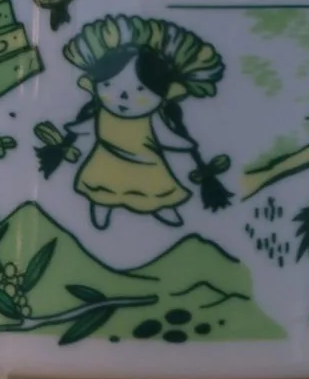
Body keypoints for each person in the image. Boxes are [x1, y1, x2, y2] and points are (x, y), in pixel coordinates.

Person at [35, 14, 232, 229]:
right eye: (108, 85)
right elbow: (85, 126)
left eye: (140, 90)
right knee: (100, 190)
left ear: (166, 94)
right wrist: (66, 141)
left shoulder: (153, 119)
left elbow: (168, 137)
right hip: (105, 161)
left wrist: (185, 146)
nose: (122, 98)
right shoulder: (101, 112)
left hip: (147, 165)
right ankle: (102, 208)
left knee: (156, 192)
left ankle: (163, 208)